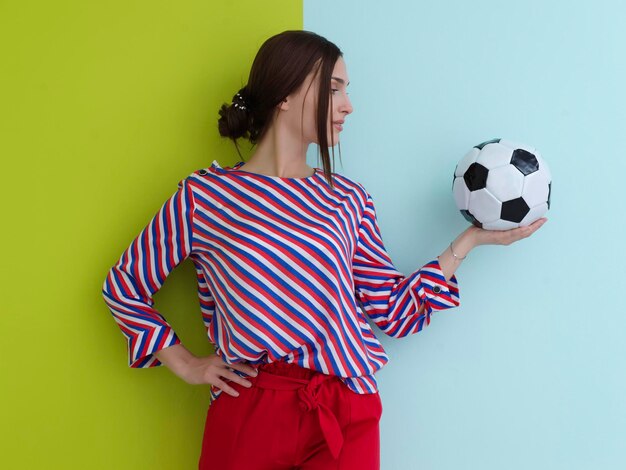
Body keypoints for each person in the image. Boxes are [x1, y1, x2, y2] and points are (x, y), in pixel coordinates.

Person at [101, 30, 547, 470]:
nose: (348, 106)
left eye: (347, 91)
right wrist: (185, 364)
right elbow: (124, 286)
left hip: (345, 410)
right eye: (334, 89)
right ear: (285, 95)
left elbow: (392, 311)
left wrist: (469, 240)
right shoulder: (205, 197)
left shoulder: (347, 199)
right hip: (250, 407)